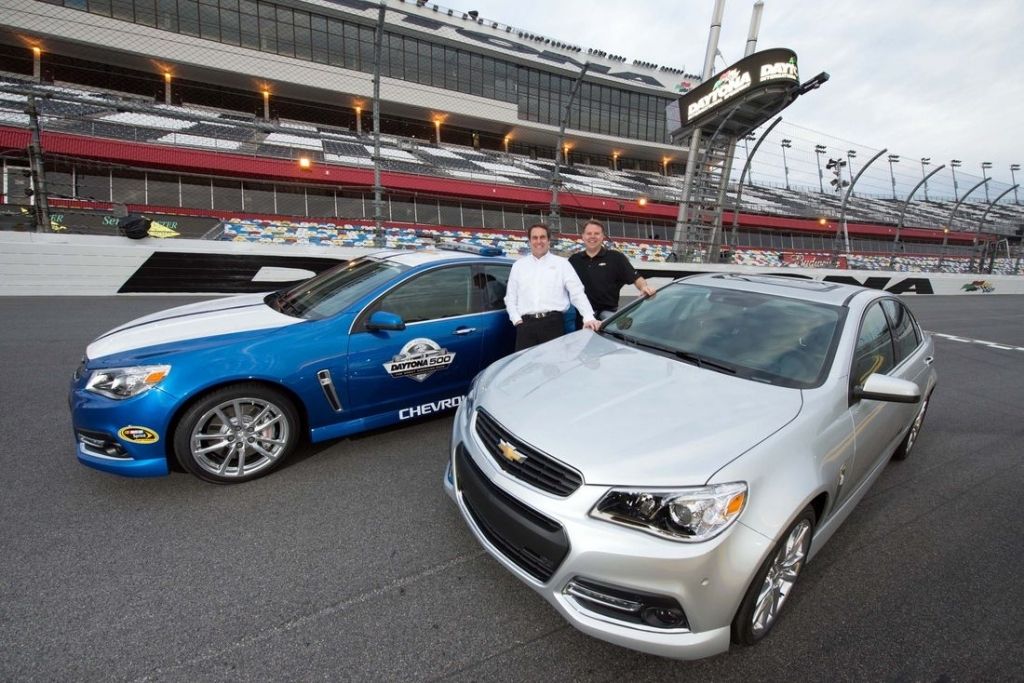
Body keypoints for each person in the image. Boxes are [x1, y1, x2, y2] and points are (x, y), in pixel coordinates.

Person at [505, 223, 600, 350]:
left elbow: (577, 292)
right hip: (525, 326)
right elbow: (510, 297)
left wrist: (588, 316)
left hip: (553, 325)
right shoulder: (519, 266)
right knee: (525, 362)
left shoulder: (562, 264)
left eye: (542, 237)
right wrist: (516, 319)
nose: (539, 241)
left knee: (554, 361)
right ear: (529, 241)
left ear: (549, 240)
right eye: (535, 238)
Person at [569, 219, 656, 322]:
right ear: (583, 236)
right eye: (589, 233)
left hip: (607, 317)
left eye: (596, 233)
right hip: (580, 316)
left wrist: (644, 287)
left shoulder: (616, 258)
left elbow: (636, 278)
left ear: (602, 236)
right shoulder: (574, 260)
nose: (592, 236)